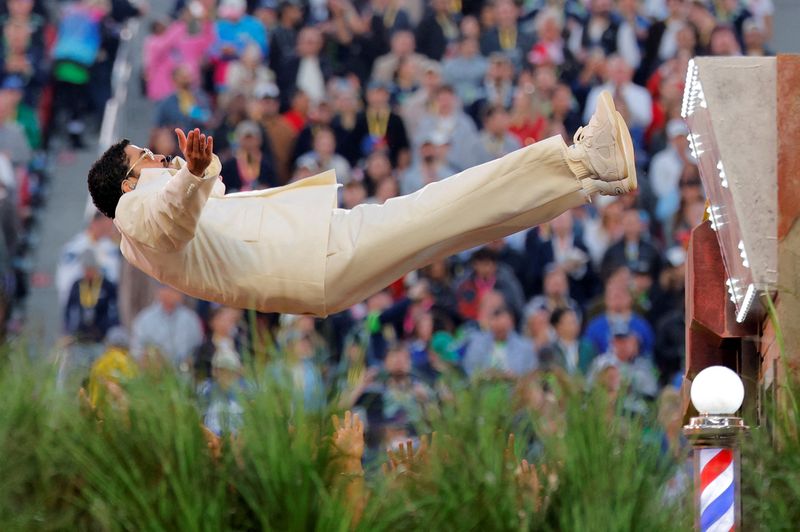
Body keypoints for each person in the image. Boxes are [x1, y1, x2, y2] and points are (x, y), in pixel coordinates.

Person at [86, 90, 637, 318]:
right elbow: (170, 218)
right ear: (128, 182)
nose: (161, 157)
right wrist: (193, 173)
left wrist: (197, 173)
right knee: (442, 207)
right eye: (148, 157)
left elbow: (206, 196)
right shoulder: (136, 214)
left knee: (457, 225)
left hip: (312, 261)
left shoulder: (156, 207)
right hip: (311, 259)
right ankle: (581, 161)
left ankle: (585, 178)